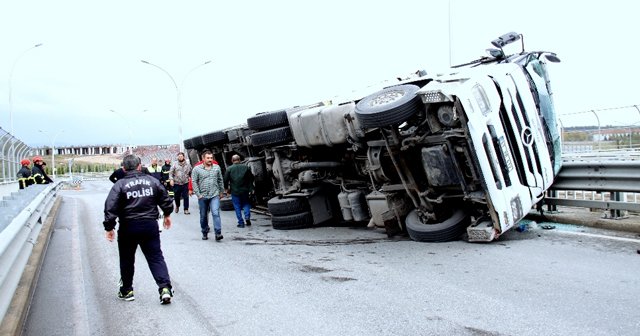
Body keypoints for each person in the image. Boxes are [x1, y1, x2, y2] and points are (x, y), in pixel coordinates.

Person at [103, 154, 175, 304]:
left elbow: (110, 207)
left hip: (128, 226)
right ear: (139, 166)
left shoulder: (120, 185)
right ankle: (165, 288)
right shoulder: (152, 181)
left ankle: (127, 290)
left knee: (127, 259)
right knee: (155, 257)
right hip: (149, 225)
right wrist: (167, 214)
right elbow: (166, 200)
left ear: (123, 168)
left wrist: (109, 228)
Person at [192, 150, 224, 241]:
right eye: (208, 158)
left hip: (214, 195)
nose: (210, 160)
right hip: (203, 196)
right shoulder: (197, 169)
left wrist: (221, 191)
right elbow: (194, 182)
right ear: (203, 158)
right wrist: (198, 194)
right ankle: (204, 231)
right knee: (203, 215)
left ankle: (218, 233)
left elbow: (220, 180)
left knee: (215, 213)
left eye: (211, 158)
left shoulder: (217, 168)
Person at [224, 154, 254, 228]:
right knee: (246, 204)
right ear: (239, 160)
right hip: (245, 190)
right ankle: (247, 218)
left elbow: (225, 180)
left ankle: (241, 223)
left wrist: (226, 189)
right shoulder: (245, 167)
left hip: (235, 191)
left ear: (232, 160)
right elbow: (251, 178)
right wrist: (251, 188)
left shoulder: (229, 169)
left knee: (237, 206)